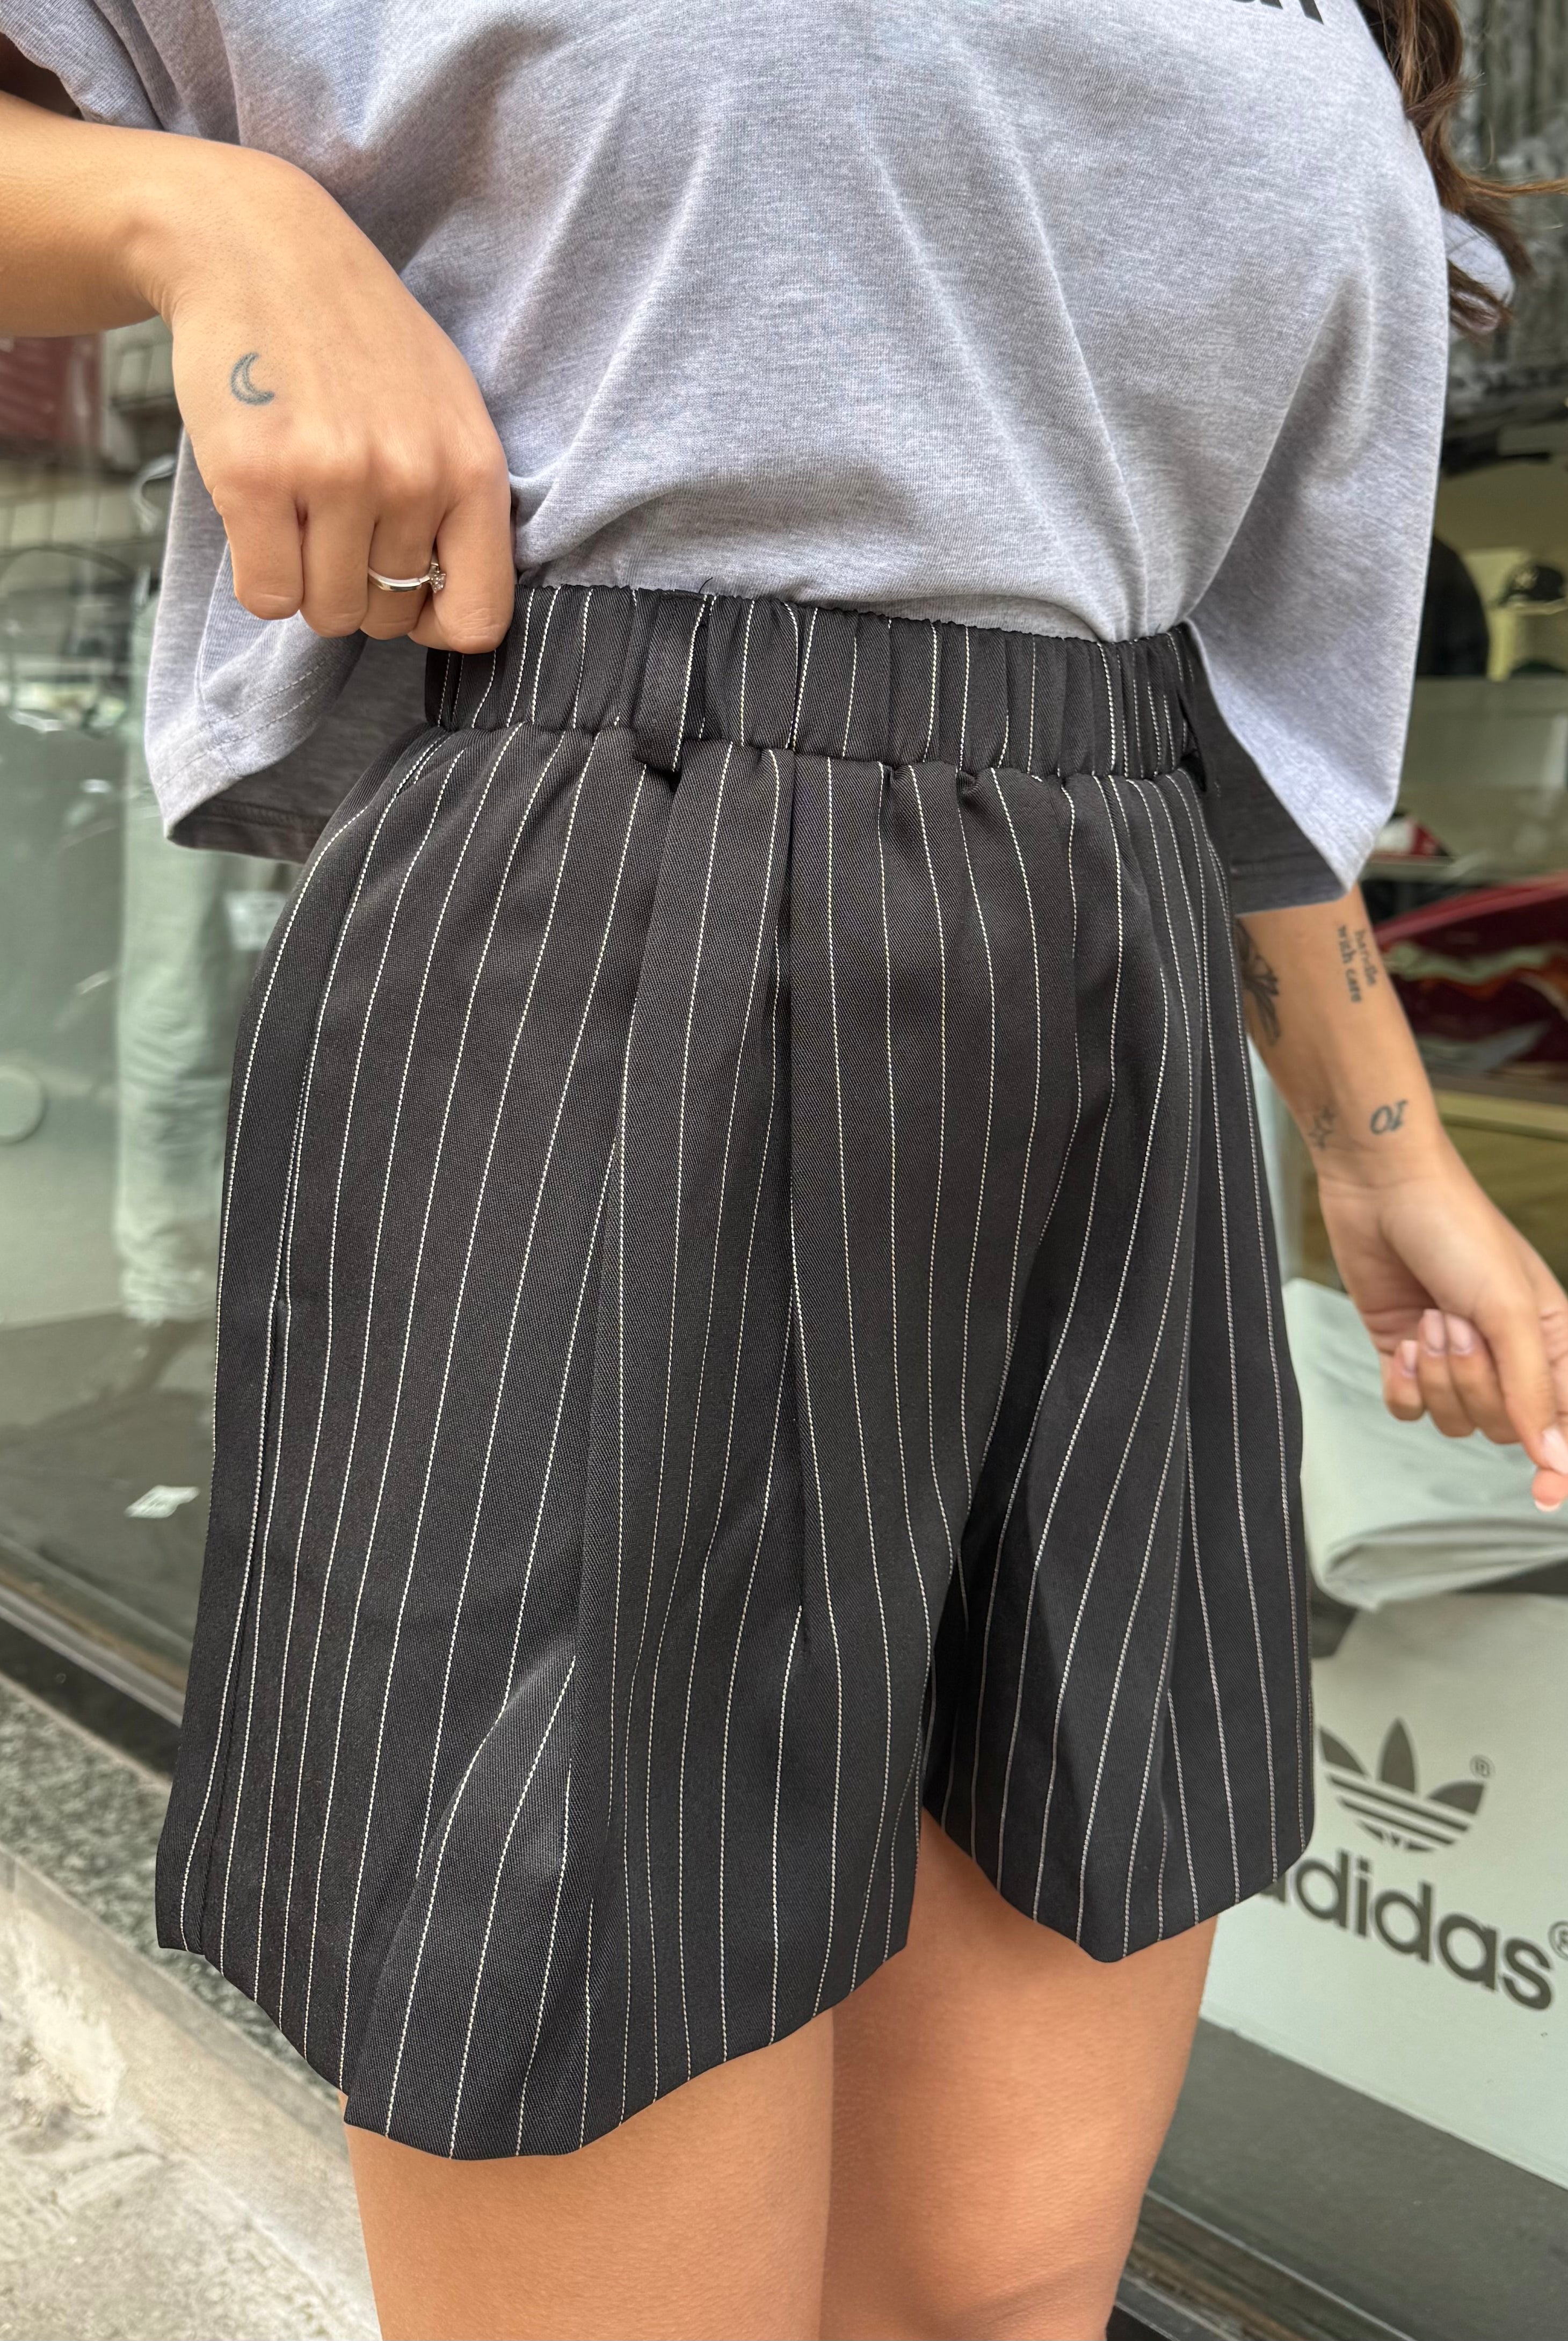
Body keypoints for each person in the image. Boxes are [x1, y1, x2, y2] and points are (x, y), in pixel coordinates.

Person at [3, 6, 1566, 2337]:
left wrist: (1380, 1139)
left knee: (1000, 2276)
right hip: (604, 916)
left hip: (1117, 982)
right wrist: (190, 209)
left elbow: (1219, 671)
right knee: (604, 2159)